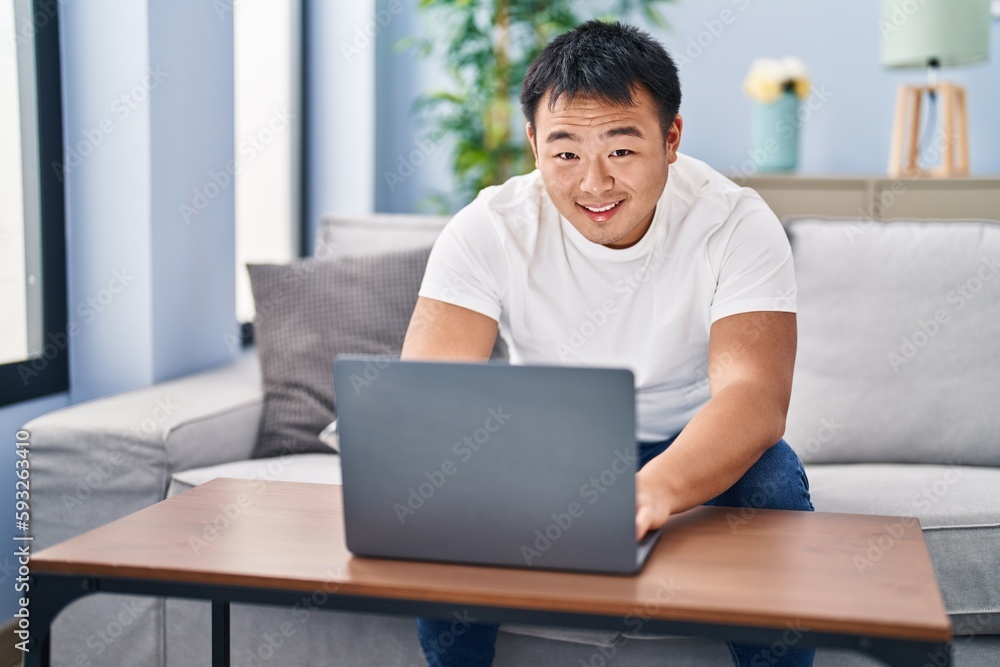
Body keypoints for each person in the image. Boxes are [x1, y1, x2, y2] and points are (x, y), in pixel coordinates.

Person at [401, 19, 815, 667]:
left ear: (671, 138)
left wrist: (654, 487)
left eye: (621, 150)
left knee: (777, 487)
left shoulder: (734, 221)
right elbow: (427, 396)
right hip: (542, 442)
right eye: (565, 152)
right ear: (533, 143)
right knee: (446, 504)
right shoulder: (488, 228)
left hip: (689, 436)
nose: (594, 184)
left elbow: (755, 396)